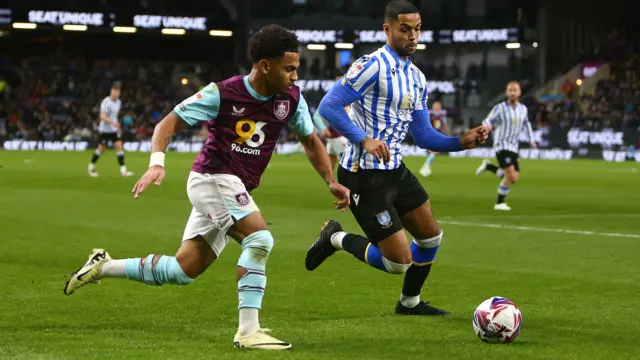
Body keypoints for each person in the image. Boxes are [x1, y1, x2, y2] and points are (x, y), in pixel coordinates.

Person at [64, 24, 350, 350]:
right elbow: (166, 124)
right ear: (264, 65)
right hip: (212, 178)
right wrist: (157, 162)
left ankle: (104, 265)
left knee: (183, 269)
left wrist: (330, 181)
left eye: (297, 68)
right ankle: (248, 331)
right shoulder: (223, 93)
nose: (295, 76)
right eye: (289, 68)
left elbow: (311, 141)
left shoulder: (291, 99)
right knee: (259, 238)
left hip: (234, 187)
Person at [304, 0, 488, 316]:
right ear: (387, 29)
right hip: (364, 174)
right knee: (397, 262)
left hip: (395, 170)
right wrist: (364, 139)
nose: (413, 36)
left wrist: (462, 142)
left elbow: (425, 135)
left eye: (417, 29)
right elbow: (328, 106)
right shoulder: (370, 65)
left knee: (431, 238)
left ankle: (409, 303)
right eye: (405, 29)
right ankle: (335, 237)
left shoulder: (416, 77)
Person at [475, 81, 536, 211]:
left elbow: (527, 124)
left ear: (519, 93)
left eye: (515, 90)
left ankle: (489, 166)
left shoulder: (523, 109)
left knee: (514, 178)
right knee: (511, 176)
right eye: (510, 90)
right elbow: (487, 120)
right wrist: (487, 127)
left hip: (514, 147)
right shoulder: (499, 108)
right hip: (501, 145)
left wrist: (531, 139)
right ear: (506, 92)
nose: (513, 92)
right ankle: (499, 202)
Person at [88, 81, 134, 177]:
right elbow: (102, 117)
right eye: (115, 91)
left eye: (118, 91)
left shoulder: (118, 102)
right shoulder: (106, 102)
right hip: (104, 130)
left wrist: (117, 127)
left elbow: (114, 116)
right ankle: (91, 167)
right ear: (111, 91)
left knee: (119, 146)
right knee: (101, 149)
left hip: (113, 130)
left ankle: (123, 171)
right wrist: (113, 123)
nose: (117, 93)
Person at [313, 75, 350, 171]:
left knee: (338, 166)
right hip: (336, 137)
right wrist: (323, 128)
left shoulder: (351, 97)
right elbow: (317, 115)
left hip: (343, 137)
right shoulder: (333, 98)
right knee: (332, 167)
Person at [419, 100, 449, 177]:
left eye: (438, 106)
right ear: (433, 107)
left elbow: (444, 125)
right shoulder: (429, 114)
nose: (437, 107)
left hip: (438, 134)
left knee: (436, 151)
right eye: (436, 106)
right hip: (430, 134)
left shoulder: (442, 116)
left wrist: (446, 133)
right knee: (436, 151)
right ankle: (426, 165)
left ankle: (426, 165)